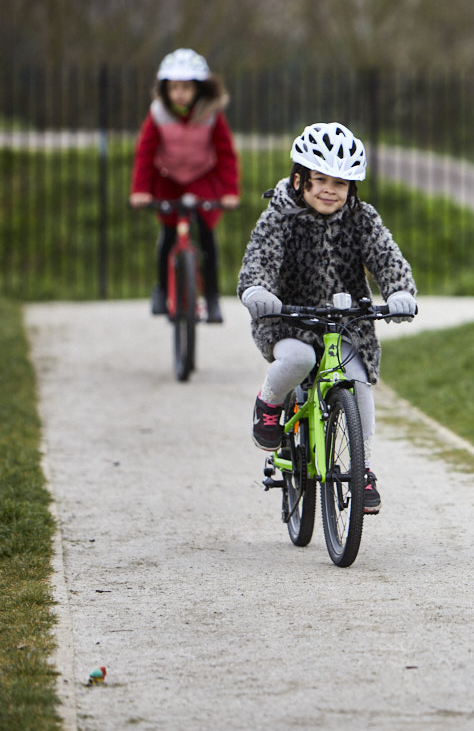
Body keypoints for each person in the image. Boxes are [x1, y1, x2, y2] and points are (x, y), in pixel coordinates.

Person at [238, 121, 417, 513]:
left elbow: (387, 258)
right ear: (299, 179)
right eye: (320, 180)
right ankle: (269, 403)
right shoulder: (281, 215)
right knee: (299, 359)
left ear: (352, 189)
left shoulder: (361, 218)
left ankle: (362, 469)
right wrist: (257, 291)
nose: (329, 190)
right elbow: (260, 258)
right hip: (289, 318)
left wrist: (400, 291)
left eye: (340, 183)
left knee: (359, 381)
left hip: (346, 320)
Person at [129, 48, 241, 324]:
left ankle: (212, 298)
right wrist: (140, 190)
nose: (179, 93)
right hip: (168, 178)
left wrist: (229, 191)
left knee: (206, 235)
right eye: (174, 87)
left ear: (199, 89)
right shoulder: (158, 114)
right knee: (168, 235)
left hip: (202, 176)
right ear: (165, 89)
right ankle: (161, 290)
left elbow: (226, 153)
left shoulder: (211, 115)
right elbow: (145, 152)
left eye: (186, 87)